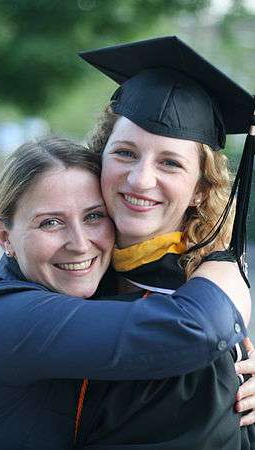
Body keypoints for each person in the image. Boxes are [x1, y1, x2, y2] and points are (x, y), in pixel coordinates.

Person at [0, 135, 249, 449]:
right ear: (4, 236)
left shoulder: (90, 296)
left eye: (94, 216)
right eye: (50, 222)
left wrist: (238, 360)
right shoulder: (4, 318)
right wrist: (226, 263)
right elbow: (194, 328)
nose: (80, 244)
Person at [72, 35, 255, 449]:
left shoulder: (196, 339)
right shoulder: (67, 270)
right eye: (125, 153)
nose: (140, 180)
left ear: (200, 189)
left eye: (170, 162)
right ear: (99, 157)